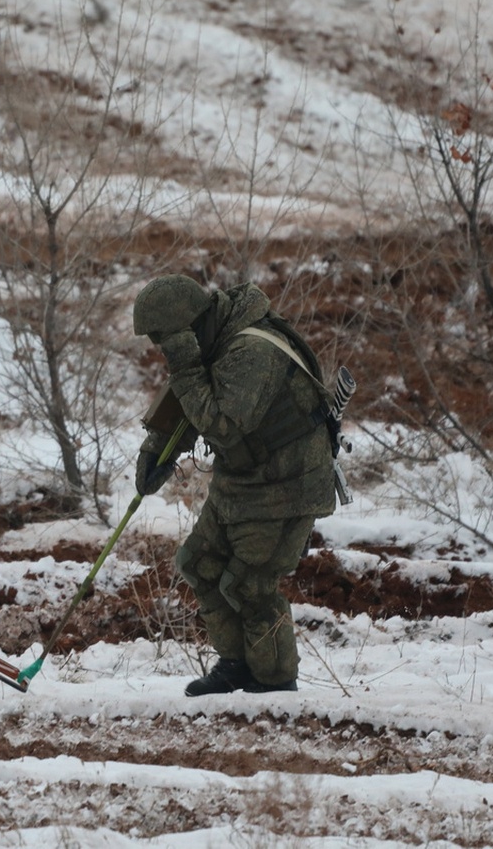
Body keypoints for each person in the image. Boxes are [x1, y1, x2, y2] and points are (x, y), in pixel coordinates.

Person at [132, 274, 338, 696]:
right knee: (199, 562)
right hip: (242, 478)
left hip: (287, 484)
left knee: (250, 586)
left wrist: (186, 366)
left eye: (164, 340)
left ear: (187, 329)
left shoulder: (252, 350)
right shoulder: (213, 343)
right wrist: (157, 450)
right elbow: (190, 402)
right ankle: (236, 666)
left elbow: (223, 424)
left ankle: (275, 683)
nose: (163, 350)